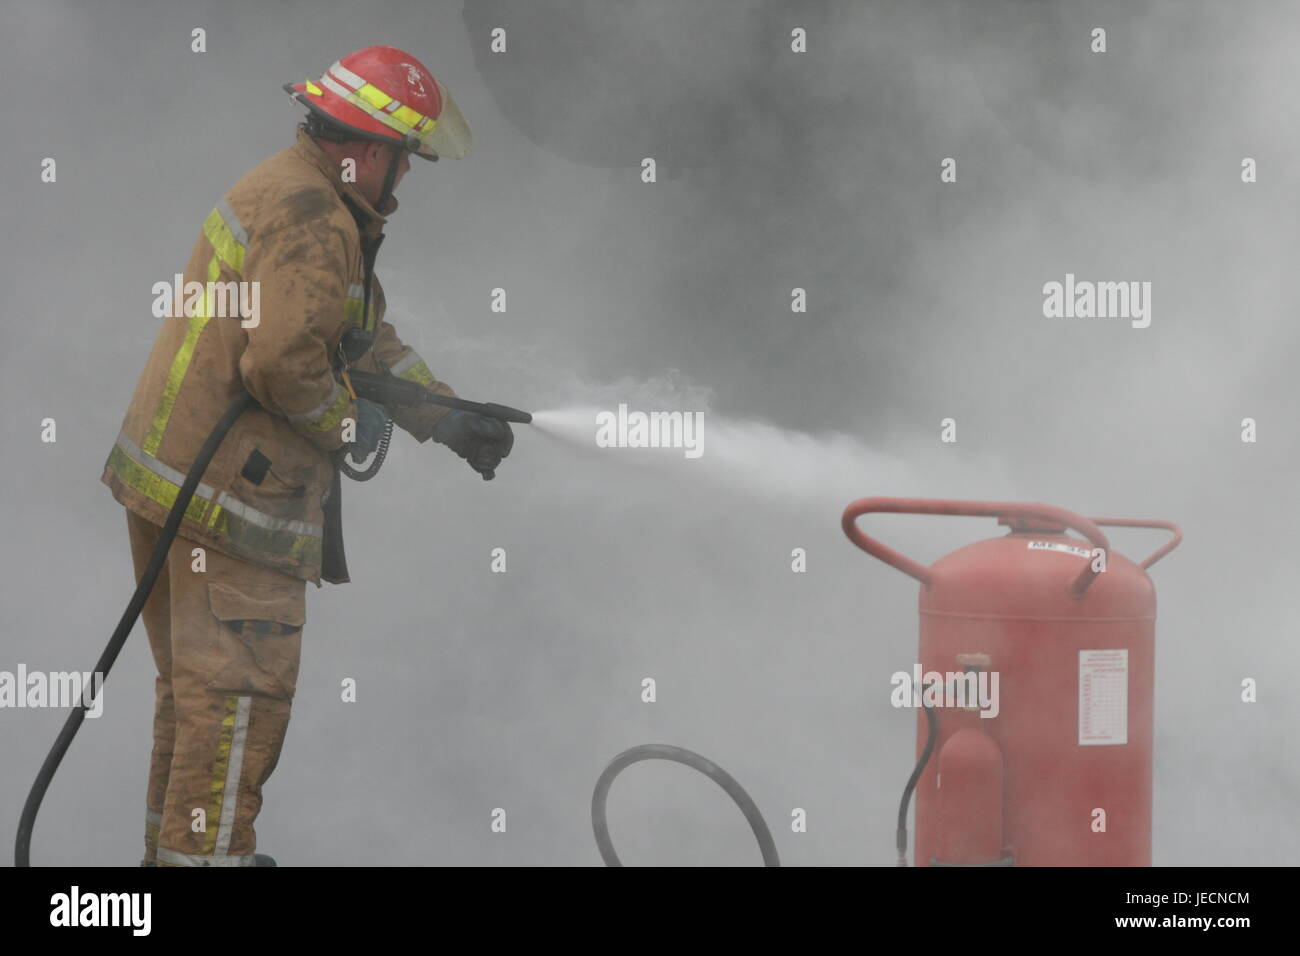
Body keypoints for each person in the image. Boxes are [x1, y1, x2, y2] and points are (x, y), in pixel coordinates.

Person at [100, 46, 512, 866]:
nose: (405, 179)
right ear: (370, 150)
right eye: (406, 159)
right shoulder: (315, 219)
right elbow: (287, 362)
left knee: (194, 710)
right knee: (236, 714)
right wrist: (346, 425)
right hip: (233, 518)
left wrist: (449, 416)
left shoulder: (295, 194)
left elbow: (355, 342)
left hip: (179, 500)